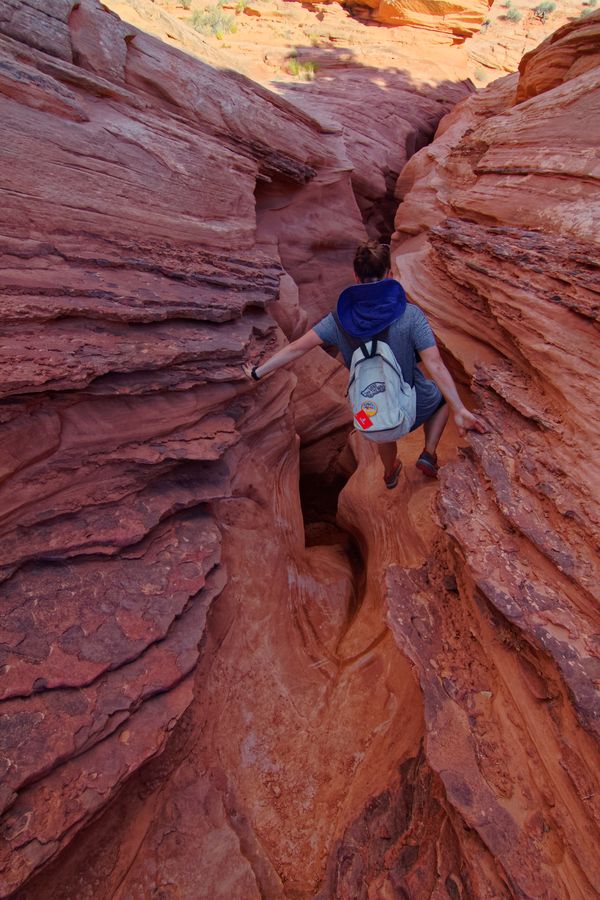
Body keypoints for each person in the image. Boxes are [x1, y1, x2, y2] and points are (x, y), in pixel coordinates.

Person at [243, 241, 487, 488]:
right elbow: (434, 364)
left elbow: (297, 348)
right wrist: (459, 409)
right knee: (439, 399)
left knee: (379, 409)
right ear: (389, 275)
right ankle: (428, 454)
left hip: (369, 413)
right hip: (411, 407)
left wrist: (257, 372)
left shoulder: (338, 321)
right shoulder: (410, 316)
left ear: (356, 278)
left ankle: (390, 472)